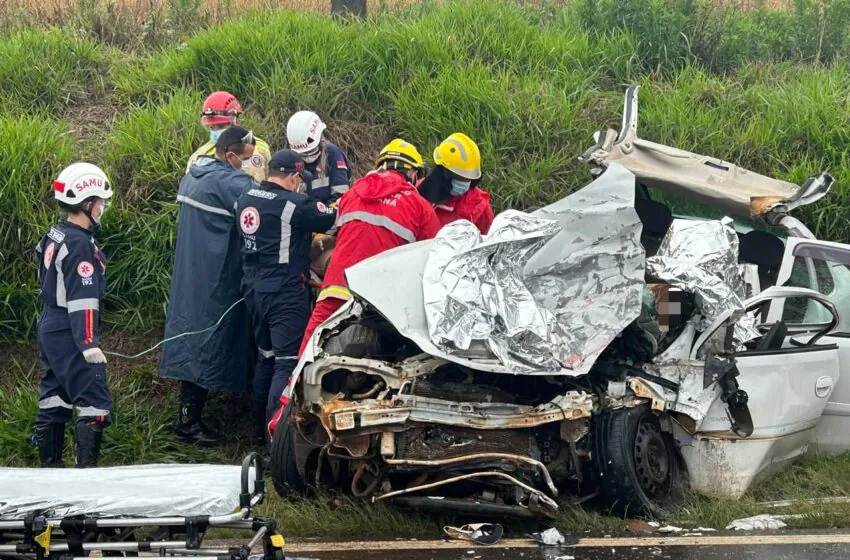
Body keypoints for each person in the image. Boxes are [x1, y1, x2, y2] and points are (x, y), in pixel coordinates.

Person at [297, 139, 441, 359]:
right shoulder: (418, 205)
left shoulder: (353, 194)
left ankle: (289, 392)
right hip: (380, 299)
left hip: (337, 286)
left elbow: (325, 232)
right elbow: (434, 257)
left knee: (309, 349)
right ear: (412, 172)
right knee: (387, 358)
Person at [160, 126, 257, 446]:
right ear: (230, 155)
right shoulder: (233, 183)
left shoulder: (196, 173)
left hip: (190, 274)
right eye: (246, 157)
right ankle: (190, 421)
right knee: (209, 344)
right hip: (219, 277)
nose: (249, 162)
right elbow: (259, 213)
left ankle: (189, 415)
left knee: (192, 340)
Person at [235, 150, 338, 441]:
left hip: (253, 291)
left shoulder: (246, 199)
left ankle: (256, 431)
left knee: (266, 359)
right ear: (293, 177)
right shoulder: (293, 204)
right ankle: (275, 439)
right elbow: (333, 219)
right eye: (299, 180)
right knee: (287, 363)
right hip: (284, 294)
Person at [33, 162, 114, 468]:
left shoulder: (56, 233)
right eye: (100, 202)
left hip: (50, 323)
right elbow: (83, 299)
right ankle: (85, 479)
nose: (103, 207)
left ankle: (50, 470)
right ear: (87, 203)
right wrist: (88, 343)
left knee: (54, 396)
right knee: (94, 401)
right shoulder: (80, 245)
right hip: (70, 329)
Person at [186, 91, 272, 183]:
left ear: (236, 121)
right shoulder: (197, 156)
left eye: (221, 126)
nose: (216, 131)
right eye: (212, 127)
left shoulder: (256, 149)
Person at [417, 132, 494, 234]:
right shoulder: (417, 193)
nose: (465, 183)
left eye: (469, 178)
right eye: (461, 178)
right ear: (444, 173)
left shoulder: (479, 207)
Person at [286, 111, 352, 203]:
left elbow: (341, 197)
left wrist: (320, 212)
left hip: (328, 213)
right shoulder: (290, 160)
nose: (308, 156)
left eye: (311, 151)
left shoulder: (332, 154)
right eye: (303, 154)